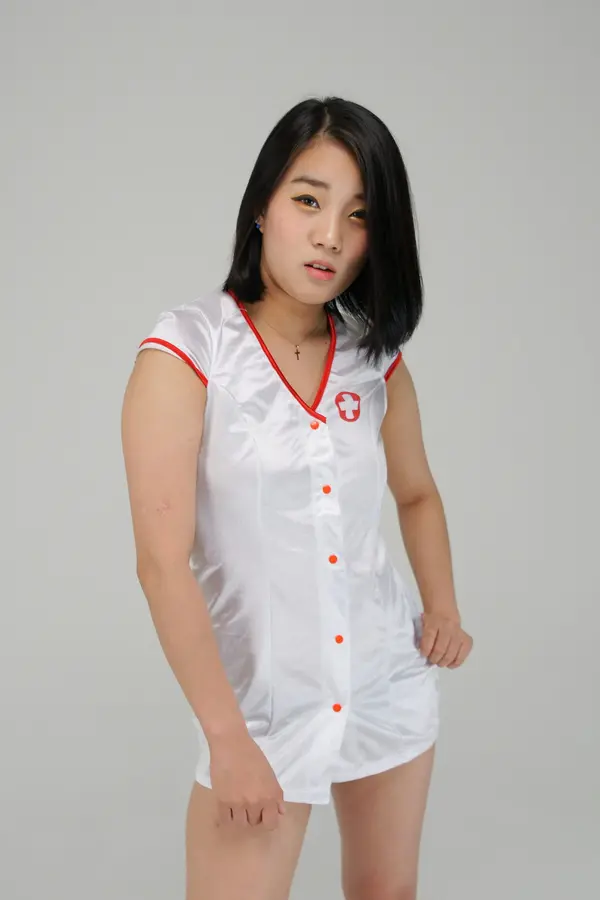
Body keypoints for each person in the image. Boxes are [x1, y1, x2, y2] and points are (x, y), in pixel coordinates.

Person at [121, 95, 474, 900]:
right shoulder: (188, 352)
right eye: (309, 201)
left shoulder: (374, 361)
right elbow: (160, 564)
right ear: (262, 207)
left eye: (359, 215)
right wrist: (227, 738)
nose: (330, 237)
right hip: (261, 710)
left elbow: (417, 492)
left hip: (386, 683)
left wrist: (443, 607)